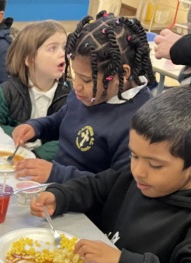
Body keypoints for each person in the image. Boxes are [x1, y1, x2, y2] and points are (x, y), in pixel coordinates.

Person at [30, 87, 191, 263]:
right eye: (134, 156)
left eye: (155, 165)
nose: (138, 171)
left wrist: (121, 261)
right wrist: (60, 196)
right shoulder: (132, 177)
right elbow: (95, 186)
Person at [12, 12, 155, 184]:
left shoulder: (138, 123)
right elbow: (63, 119)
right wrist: (36, 127)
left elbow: (117, 186)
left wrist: (58, 174)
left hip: (82, 197)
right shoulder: (88, 94)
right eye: (75, 75)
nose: (77, 86)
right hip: (57, 186)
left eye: (87, 80)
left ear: (122, 74)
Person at [0, 20, 71, 161]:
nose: (63, 54)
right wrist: (18, 133)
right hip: (8, 156)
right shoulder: (9, 90)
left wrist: (38, 154)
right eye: (52, 48)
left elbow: (70, 138)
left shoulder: (71, 95)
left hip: (47, 164)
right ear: (30, 59)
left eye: (64, 47)